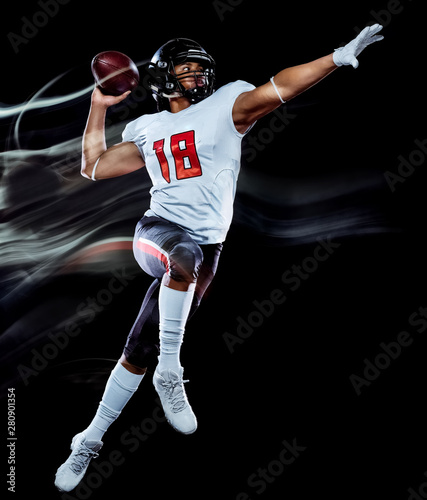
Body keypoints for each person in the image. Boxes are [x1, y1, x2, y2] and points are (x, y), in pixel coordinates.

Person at [54, 26, 384, 492]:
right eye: (185, 67)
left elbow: (282, 86)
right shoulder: (148, 126)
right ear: (163, 78)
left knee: (138, 349)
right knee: (181, 259)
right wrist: (97, 106)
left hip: (208, 250)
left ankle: (88, 440)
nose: (196, 74)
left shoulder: (228, 105)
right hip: (159, 233)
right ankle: (172, 371)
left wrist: (335, 57)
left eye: (199, 67)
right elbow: (94, 167)